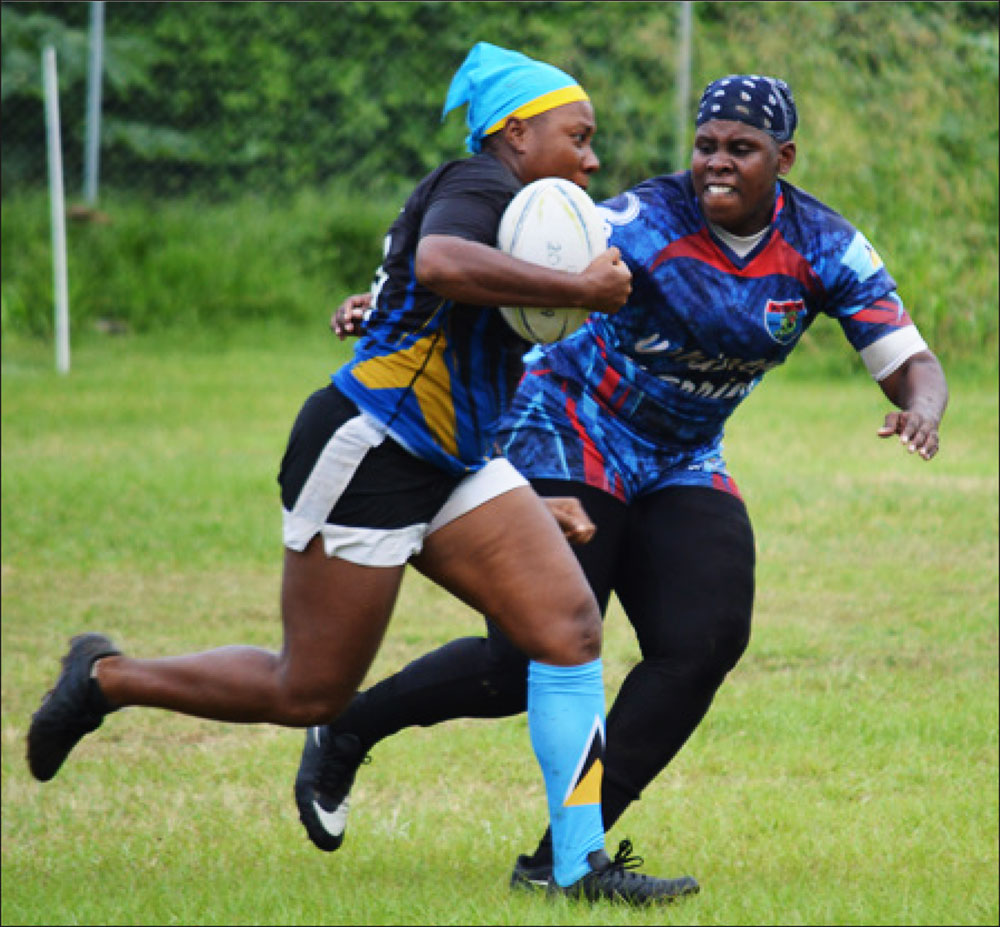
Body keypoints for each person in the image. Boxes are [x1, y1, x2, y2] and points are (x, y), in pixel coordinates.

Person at [25, 41, 700, 905]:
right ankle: (106, 678)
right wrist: (577, 291)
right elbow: (438, 267)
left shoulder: (507, 197)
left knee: (568, 629)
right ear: (517, 133)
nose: (593, 157)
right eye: (579, 135)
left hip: (455, 460)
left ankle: (577, 866)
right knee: (307, 688)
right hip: (371, 450)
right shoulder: (479, 182)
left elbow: (416, 298)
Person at [293, 73, 949, 889]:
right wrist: (395, 302)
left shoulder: (825, 246)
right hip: (573, 422)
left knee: (703, 639)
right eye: (706, 145)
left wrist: (921, 407)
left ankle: (565, 854)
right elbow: (514, 261)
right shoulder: (643, 220)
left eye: (741, 150)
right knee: (517, 662)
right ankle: (349, 728)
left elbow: (909, 359)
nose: (717, 163)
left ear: (783, 159)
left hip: (684, 454)